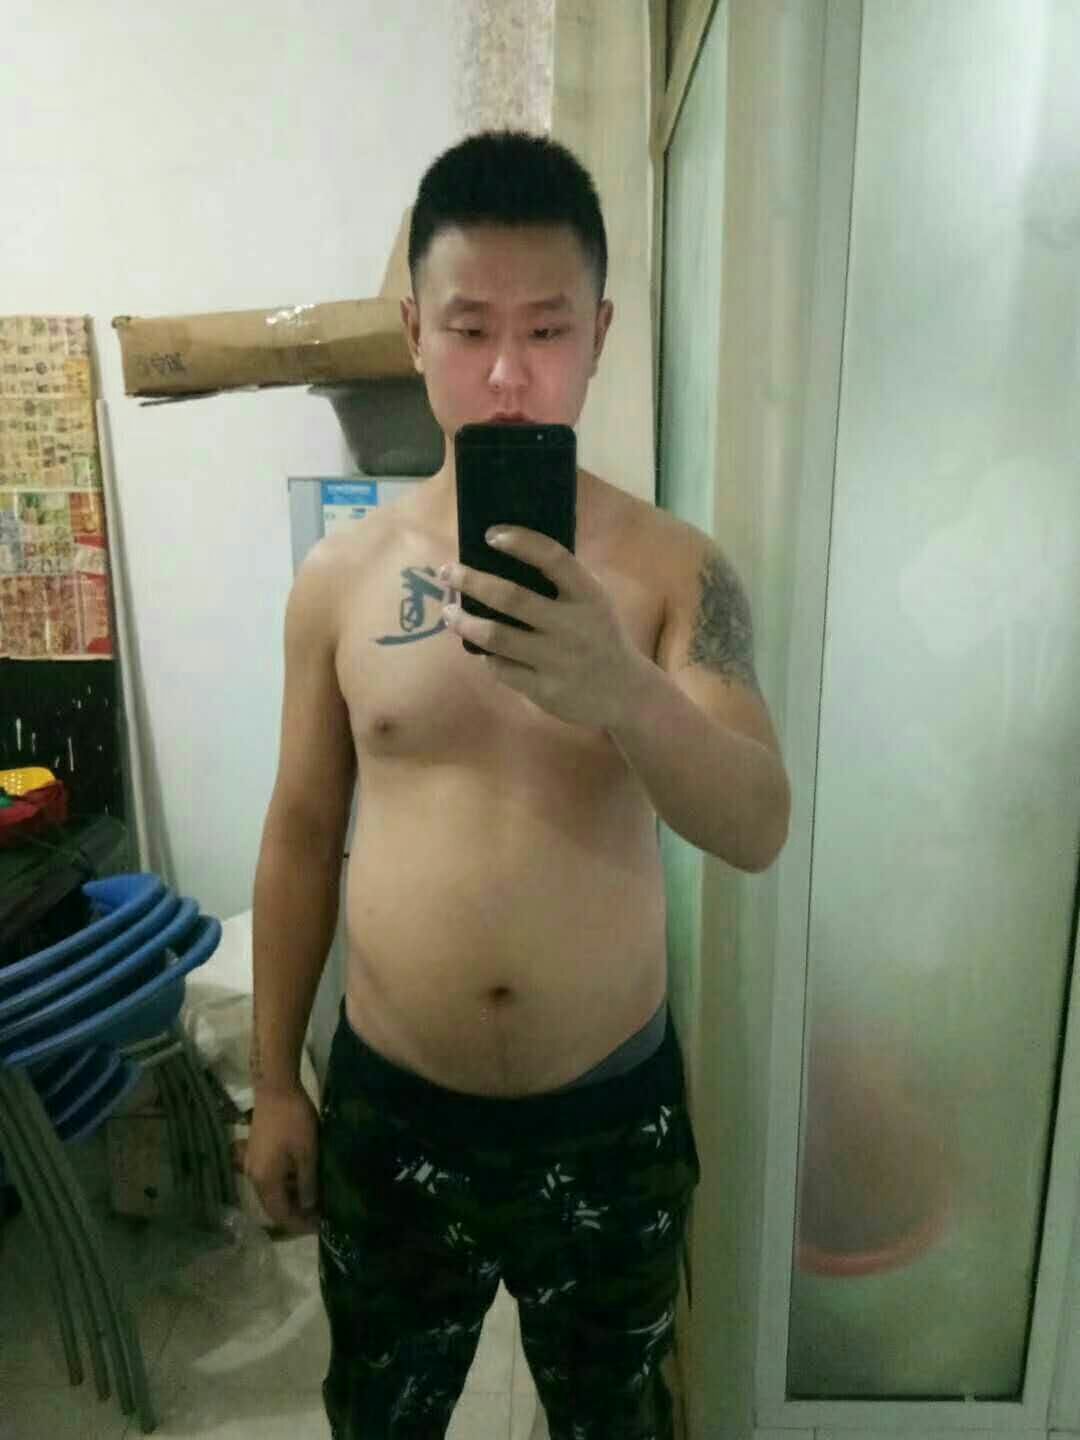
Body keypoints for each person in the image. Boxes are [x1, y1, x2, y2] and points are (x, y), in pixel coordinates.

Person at [246, 130, 790, 1440]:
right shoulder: (341, 579)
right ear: (412, 331)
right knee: (381, 1419)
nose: (506, 372)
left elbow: (757, 824)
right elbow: (303, 831)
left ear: (598, 335)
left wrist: (623, 690)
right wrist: (276, 1083)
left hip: (608, 1115)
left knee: (616, 1421)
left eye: (545, 329)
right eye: (468, 326)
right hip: (393, 1109)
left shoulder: (676, 570)